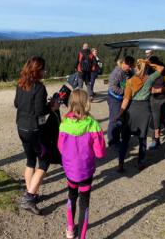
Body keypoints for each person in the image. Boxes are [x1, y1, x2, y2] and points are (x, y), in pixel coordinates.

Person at [57, 89, 106, 239]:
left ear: (70, 103)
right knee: (84, 203)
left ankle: (70, 229)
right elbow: (100, 153)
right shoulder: (93, 125)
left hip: (70, 170)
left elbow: (60, 147)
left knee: (71, 196)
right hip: (86, 171)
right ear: (87, 104)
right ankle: (82, 236)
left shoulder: (64, 122)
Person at [14, 56, 60, 214]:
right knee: (45, 160)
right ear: (37, 70)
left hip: (21, 127)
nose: (45, 71)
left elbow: (16, 104)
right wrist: (52, 107)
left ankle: (31, 193)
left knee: (30, 160)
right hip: (34, 130)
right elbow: (40, 111)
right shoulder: (39, 88)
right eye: (43, 69)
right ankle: (29, 197)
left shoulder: (21, 83)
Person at [117, 59, 164, 172]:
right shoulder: (150, 78)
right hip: (145, 110)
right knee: (142, 139)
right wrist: (149, 63)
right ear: (145, 67)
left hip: (132, 110)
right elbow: (161, 68)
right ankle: (141, 163)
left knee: (125, 139)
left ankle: (121, 164)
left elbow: (126, 100)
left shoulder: (130, 81)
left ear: (136, 68)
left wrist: (120, 114)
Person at [106, 56, 135, 146]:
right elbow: (112, 87)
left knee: (122, 119)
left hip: (121, 98)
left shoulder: (127, 71)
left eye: (131, 66)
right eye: (129, 66)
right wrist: (125, 91)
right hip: (114, 98)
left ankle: (119, 138)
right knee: (114, 119)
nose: (130, 68)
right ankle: (112, 140)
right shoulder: (117, 73)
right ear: (124, 63)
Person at [147, 56, 165, 150]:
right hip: (154, 99)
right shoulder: (150, 70)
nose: (151, 68)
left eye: (152, 66)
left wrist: (158, 90)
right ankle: (156, 140)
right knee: (155, 121)